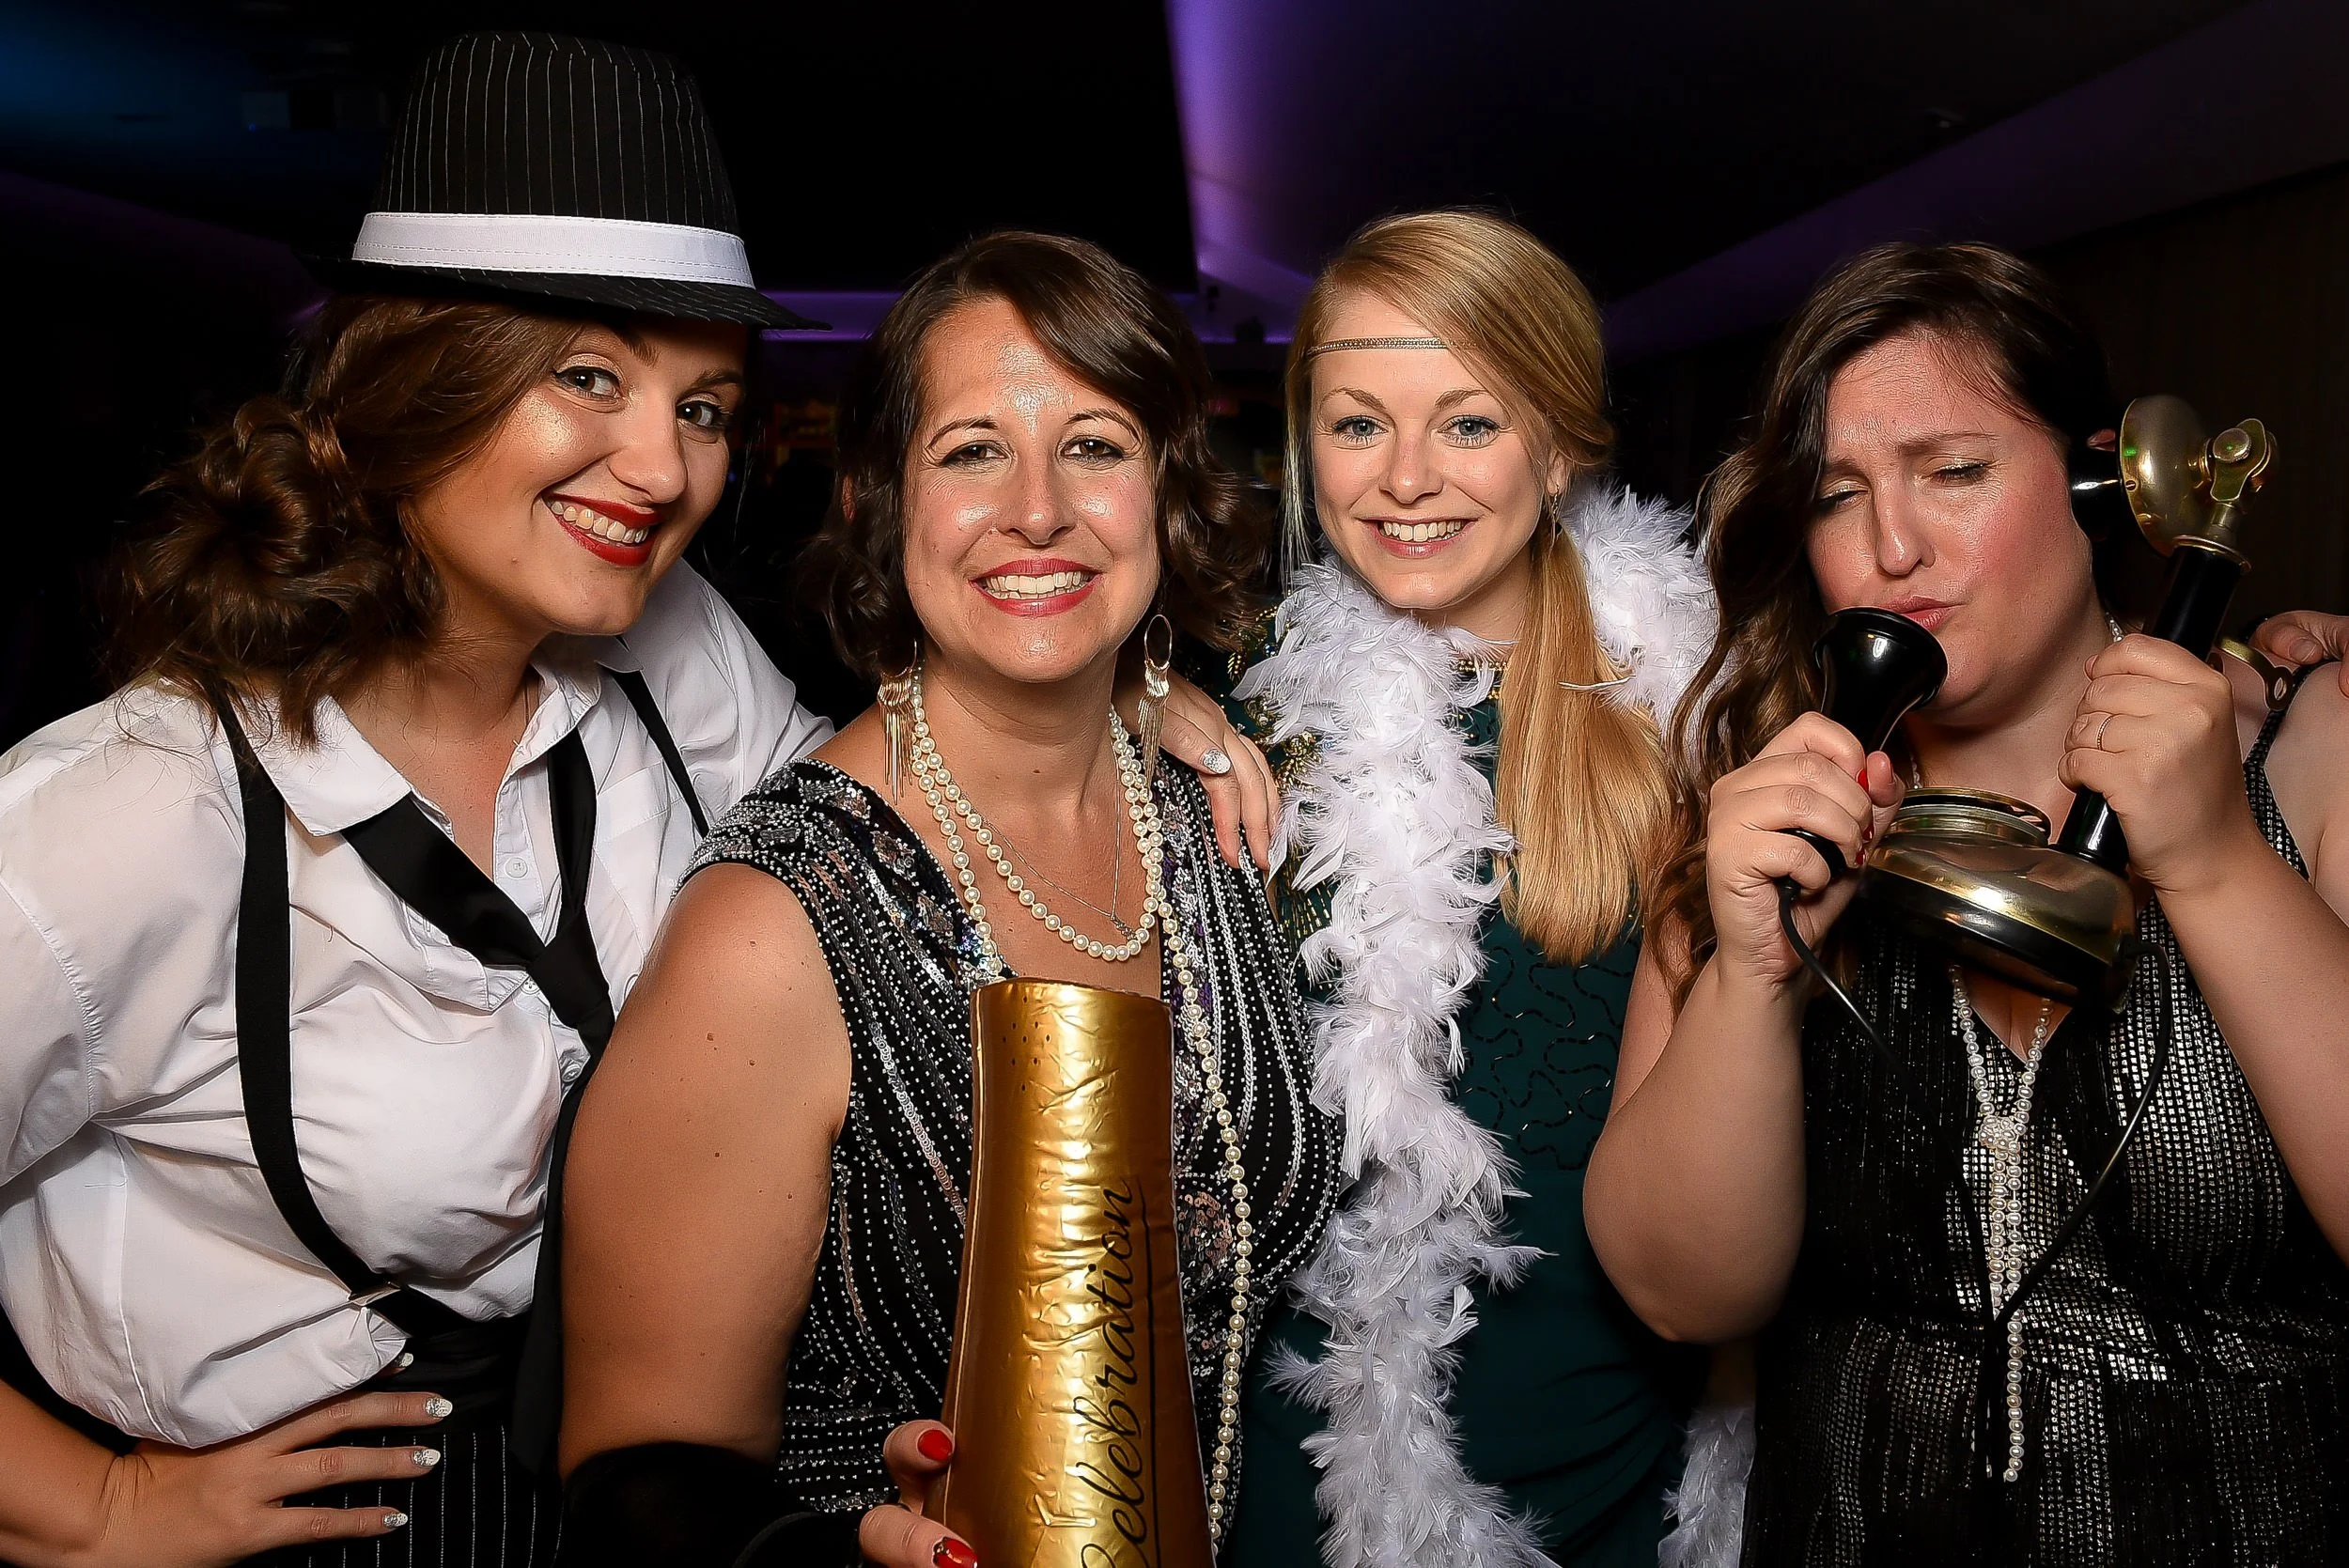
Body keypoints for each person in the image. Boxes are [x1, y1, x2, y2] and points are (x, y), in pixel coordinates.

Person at [0, 37, 1271, 1568]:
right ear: (409, 383)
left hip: (614, 1508)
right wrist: (101, 1509)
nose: (663, 468)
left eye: (709, 408)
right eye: (589, 379)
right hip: (320, 1525)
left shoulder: (671, 658)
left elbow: (910, 812)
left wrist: (1110, 684)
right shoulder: (138, 811)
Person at [552, 230, 1344, 1568]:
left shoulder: (1222, 823)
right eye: (973, 451)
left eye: (1095, 447)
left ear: (1167, 491)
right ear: (879, 500)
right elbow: (638, 1477)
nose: (1038, 510)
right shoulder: (775, 923)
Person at [1585, 241, 2349, 1564]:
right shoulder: (1755, 800)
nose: (1892, 547)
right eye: (1839, 495)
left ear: (2104, 480)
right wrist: (1753, 974)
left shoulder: (2315, 745)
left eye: (1954, 471)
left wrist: (2219, 861)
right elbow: (1681, 1297)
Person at [1213, 210, 1727, 1568]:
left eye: (1470, 423)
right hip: (1314, 1477)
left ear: (1559, 449)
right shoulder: (1247, 723)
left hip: (1632, 1478)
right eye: (1357, 424)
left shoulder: (1700, 718)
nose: (1406, 478)